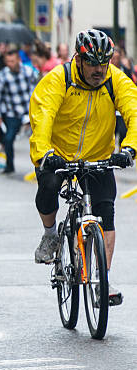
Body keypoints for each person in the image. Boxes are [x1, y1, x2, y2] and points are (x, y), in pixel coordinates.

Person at [30, 29, 137, 305]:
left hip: (98, 155)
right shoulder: (58, 80)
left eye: (105, 63)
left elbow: (133, 110)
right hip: (58, 154)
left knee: (106, 211)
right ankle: (50, 234)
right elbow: (43, 116)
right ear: (78, 59)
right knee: (49, 187)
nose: (99, 70)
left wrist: (129, 148)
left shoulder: (115, 80)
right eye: (92, 63)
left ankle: (103, 278)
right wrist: (44, 153)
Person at [0, 47, 37, 174]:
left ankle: (39, 168)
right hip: (12, 112)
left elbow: (35, 91)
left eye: (12, 61)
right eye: (8, 62)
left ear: (18, 60)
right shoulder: (2, 76)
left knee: (38, 139)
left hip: (29, 111)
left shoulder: (28, 72)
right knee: (8, 139)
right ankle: (9, 165)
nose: (10, 64)